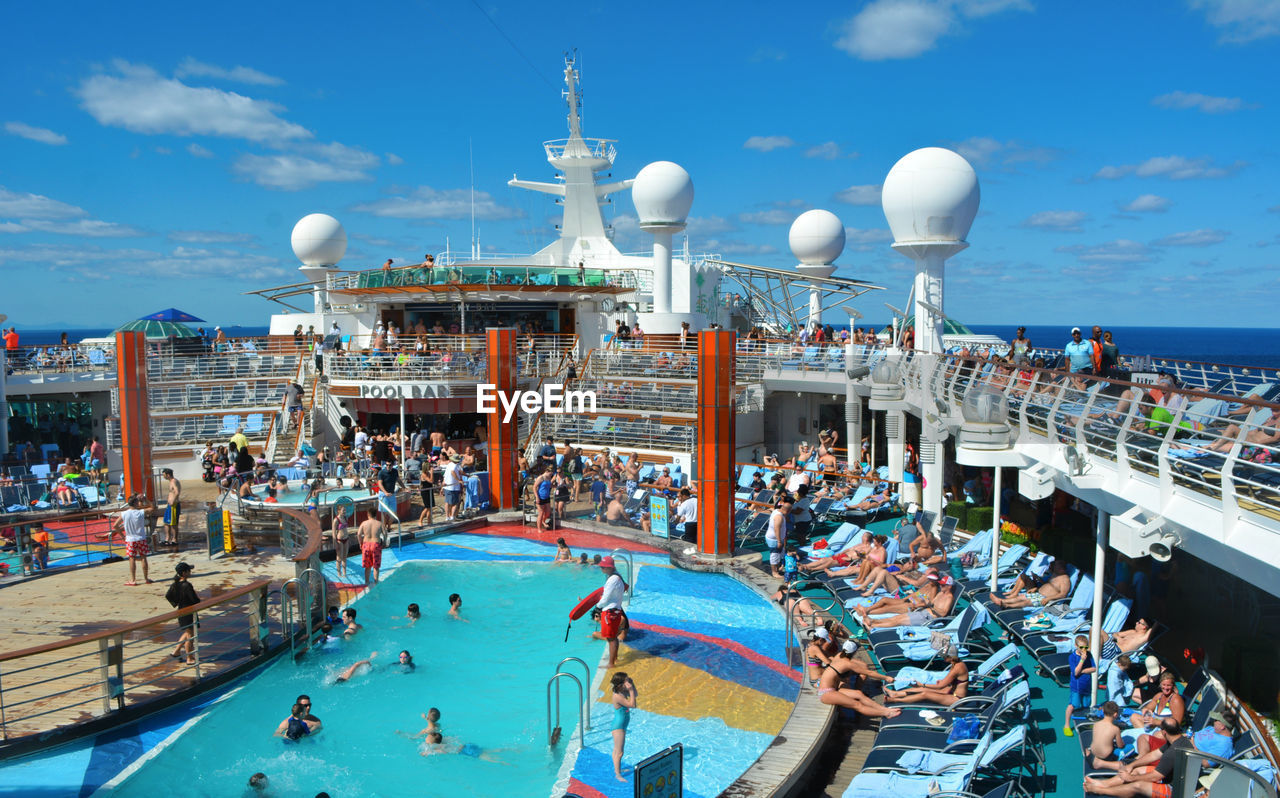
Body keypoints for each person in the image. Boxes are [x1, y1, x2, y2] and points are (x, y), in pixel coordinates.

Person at [1084, 717, 1189, 797]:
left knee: (1137, 785)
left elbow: (1156, 776)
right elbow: (1154, 754)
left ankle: (1100, 790)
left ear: (1164, 732)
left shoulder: (1173, 752)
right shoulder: (1176, 741)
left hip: (1175, 791)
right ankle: (1104, 784)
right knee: (1136, 770)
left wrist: (1131, 778)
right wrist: (1132, 765)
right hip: (1173, 777)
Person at [817, 642, 902, 718]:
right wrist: (886, 678)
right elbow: (870, 673)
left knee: (859, 694)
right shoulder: (847, 663)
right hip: (825, 693)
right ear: (854, 652)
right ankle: (886, 713)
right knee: (857, 704)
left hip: (832, 689)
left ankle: (884, 709)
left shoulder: (839, 655)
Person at [883, 644, 968, 705]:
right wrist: (940, 681)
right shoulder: (955, 664)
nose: (943, 658)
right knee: (920, 689)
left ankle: (895, 700)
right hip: (949, 690)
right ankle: (896, 694)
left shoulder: (958, 668)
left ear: (950, 657)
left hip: (956, 699)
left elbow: (940, 686)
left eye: (945, 656)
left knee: (925, 694)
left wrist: (923, 684)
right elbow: (949, 681)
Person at [111, 495, 153, 586]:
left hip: (130, 539)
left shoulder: (124, 514)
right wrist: (146, 499)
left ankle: (133, 580)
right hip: (141, 538)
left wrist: (122, 536)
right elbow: (152, 507)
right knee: (143, 557)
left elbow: (115, 525)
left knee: (132, 558)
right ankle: (146, 578)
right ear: (135, 503)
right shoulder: (141, 512)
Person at [165, 562, 200, 664]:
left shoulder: (175, 584)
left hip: (181, 611)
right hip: (188, 612)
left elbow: (168, 596)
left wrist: (176, 602)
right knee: (190, 636)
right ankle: (189, 658)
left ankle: (176, 652)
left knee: (188, 632)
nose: (190, 572)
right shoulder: (187, 585)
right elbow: (194, 600)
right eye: (189, 570)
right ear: (184, 573)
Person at [596, 556, 628, 667]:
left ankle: (611, 663)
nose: (602, 569)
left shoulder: (612, 580)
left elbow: (605, 598)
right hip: (616, 610)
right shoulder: (618, 576)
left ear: (609, 568)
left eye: (603, 567)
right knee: (613, 636)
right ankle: (614, 659)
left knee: (611, 639)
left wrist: (597, 606)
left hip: (609, 612)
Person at [1064, 633, 1097, 736]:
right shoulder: (1072, 657)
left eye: (1086, 647)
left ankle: (1086, 723)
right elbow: (1075, 672)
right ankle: (1066, 725)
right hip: (1076, 686)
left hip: (1086, 684)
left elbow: (1094, 668)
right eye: (1081, 647)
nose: (1084, 649)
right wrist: (1082, 660)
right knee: (1072, 705)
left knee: (1086, 705)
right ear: (1076, 646)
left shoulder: (1089, 655)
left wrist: (1083, 671)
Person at [610, 672, 638, 781]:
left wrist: (632, 685)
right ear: (620, 684)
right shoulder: (617, 696)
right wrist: (630, 690)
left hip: (622, 725)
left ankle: (618, 770)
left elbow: (635, 696)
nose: (628, 683)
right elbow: (633, 705)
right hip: (618, 726)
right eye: (626, 681)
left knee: (616, 750)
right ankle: (618, 774)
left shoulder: (622, 691)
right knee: (619, 752)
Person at [1089, 701, 1128, 772]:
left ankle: (1092, 757)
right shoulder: (1115, 729)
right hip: (1106, 757)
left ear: (1103, 710)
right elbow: (1120, 746)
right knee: (1130, 748)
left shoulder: (1096, 724)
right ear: (1115, 714)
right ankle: (1104, 764)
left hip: (1093, 753)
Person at [765, 498, 790, 578]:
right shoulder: (779, 517)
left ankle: (777, 569)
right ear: (788, 511)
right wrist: (779, 541)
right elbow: (777, 529)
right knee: (774, 555)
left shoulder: (776, 510)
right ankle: (774, 572)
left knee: (778, 554)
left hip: (773, 538)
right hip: (774, 540)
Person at [358, 515, 384, 585]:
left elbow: (359, 534)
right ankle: (376, 582)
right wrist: (383, 543)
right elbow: (385, 534)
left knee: (367, 566)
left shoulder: (364, 523)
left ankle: (366, 582)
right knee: (376, 566)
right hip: (376, 544)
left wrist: (360, 543)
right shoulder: (379, 523)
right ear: (375, 515)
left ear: (368, 515)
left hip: (366, 545)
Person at [159, 468, 181, 548]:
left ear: (168, 475)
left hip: (173, 506)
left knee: (173, 524)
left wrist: (173, 501)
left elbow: (177, 492)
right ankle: (167, 539)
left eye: (164, 475)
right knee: (166, 522)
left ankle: (175, 540)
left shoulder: (174, 481)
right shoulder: (171, 482)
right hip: (170, 506)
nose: (163, 476)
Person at [442, 454, 464, 520]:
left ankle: (447, 516)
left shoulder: (449, 465)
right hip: (453, 486)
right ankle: (452, 516)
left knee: (447, 502)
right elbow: (452, 472)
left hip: (447, 486)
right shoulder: (455, 466)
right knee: (455, 503)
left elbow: (445, 475)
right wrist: (459, 480)